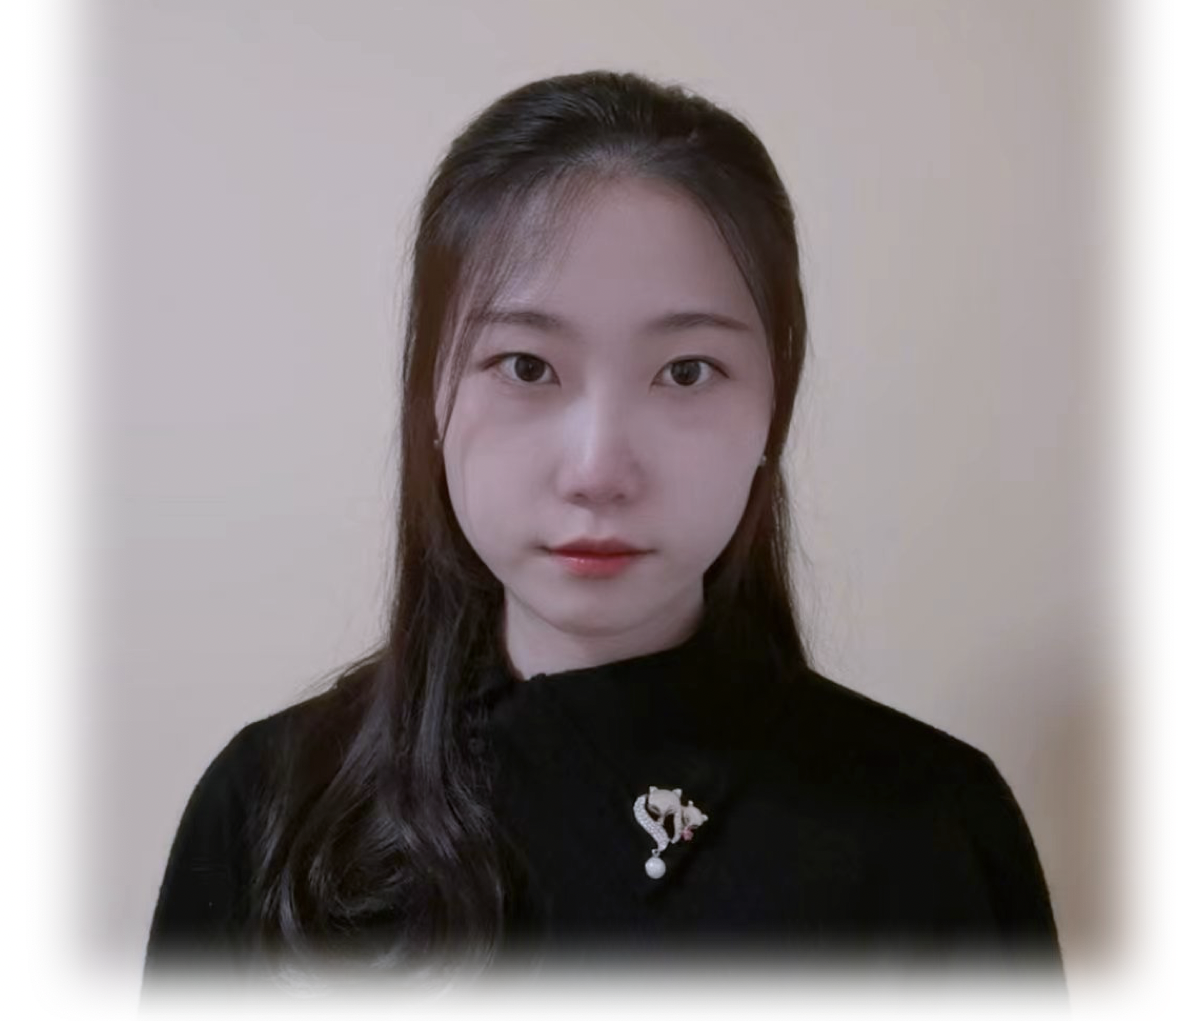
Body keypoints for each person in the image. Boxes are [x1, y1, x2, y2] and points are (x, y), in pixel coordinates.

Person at [142, 69, 1065, 995]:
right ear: (432, 397)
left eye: (687, 371)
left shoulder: (931, 831)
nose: (597, 471)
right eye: (526, 366)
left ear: (773, 410)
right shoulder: (271, 807)